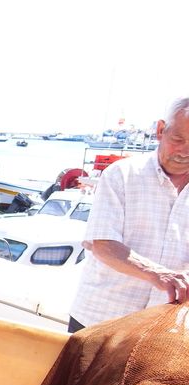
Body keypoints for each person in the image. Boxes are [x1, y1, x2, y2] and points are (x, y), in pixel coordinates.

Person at [68, 96, 189, 333]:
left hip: (161, 331)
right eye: (178, 139)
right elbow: (103, 244)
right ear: (160, 130)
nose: (185, 151)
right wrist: (159, 274)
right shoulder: (120, 175)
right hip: (100, 320)